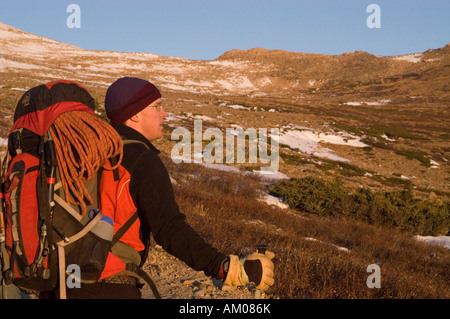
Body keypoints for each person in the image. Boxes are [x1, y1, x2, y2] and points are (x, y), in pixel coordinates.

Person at [99, 76, 275, 299]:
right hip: (111, 283)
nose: (164, 114)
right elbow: (169, 230)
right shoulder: (142, 160)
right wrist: (226, 267)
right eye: (157, 106)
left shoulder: (92, 151)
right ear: (134, 114)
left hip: (63, 277)